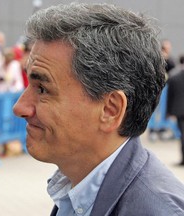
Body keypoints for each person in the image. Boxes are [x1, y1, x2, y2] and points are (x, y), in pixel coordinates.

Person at [13, 3, 184, 216]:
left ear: (110, 109)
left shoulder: (155, 210)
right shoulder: (78, 186)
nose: (19, 107)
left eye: (42, 89)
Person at [167, 55, 184, 166]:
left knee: (183, 136)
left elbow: (170, 96)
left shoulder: (174, 78)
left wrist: (169, 112)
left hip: (179, 111)